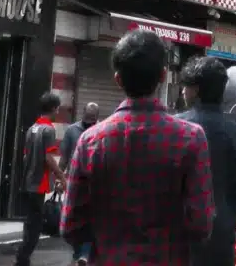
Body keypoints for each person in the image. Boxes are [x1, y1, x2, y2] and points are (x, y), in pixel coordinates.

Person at [61, 29, 215, 265]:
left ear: (118, 79)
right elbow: (201, 224)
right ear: (163, 75)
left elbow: (70, 225)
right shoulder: (191, 139)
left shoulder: (90, 141)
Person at [179, 56, 236, 266]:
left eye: (185, 87)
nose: (183, 92)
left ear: (195, 90)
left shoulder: (175, 129)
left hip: (180, 244)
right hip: (221, 245)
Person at [15, 92, 66, 266]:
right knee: (36, 226)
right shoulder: (49, 129)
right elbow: (49, 158)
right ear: (53, 108)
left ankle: (23, 257)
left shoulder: (32, 128)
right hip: (39, 183)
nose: (58, 110)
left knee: (30, 223)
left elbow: (25, 156)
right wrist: (61, 176)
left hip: (28, 182)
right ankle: (22, 259)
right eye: (57, 107)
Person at [60, 103, 99, 266]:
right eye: (87, 118)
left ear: (96, 117)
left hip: (94, 185)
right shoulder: (71, 131)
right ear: (82, 114)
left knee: (90, 220)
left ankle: (83, 254)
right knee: (74, 219)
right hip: (74, 183)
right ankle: (79, 253)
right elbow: (64, 157)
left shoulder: (101, 131)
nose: (90, 122)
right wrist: (59, 177)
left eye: (92, 119)